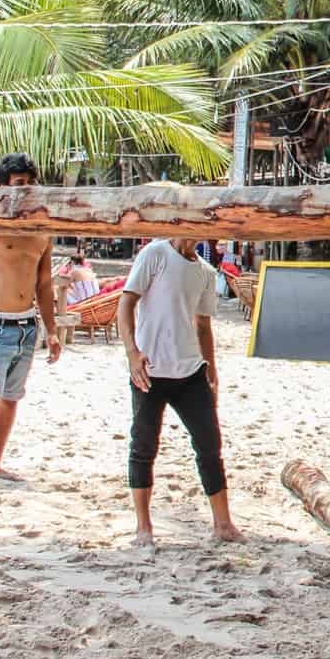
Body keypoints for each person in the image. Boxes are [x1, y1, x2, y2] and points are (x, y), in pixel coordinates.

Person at [119, 235, 243, 548]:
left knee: (209, 445)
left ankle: (223, 523)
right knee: (143, 445)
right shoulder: (155, 253)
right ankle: (143, 527)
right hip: (150, 369)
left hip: (191, 371)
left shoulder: (205, 272)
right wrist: (132, 352)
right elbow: (127, 302)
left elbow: (203, 325)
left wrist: (211, 370)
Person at [0, 154, 61, 490]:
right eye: (19, 184)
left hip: (26, 325)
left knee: (10, 398)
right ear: (5, 187)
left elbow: (44, 283)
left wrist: (52, 331)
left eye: (30, 183)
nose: (26, 190)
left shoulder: (42, 230)